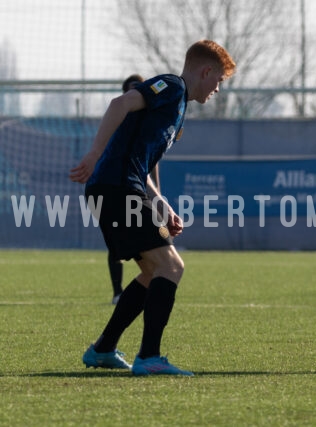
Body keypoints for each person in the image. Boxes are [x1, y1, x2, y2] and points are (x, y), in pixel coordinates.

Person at [70, 40, 236, 376]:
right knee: (172, 266)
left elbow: (140, 165)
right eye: (218, 81)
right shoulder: (172, 87)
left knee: (152, 273)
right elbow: (120, 103)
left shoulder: (179, 109)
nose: (217, 89)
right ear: (205, 72)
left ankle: (103, 349)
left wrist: (162, 205)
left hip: (122, 188)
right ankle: (149, 357)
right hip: (116, 189)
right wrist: (93, 154)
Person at [107, 74, 161, 305]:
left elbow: (151, 160)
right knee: (115, 244)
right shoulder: (117, 120)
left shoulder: (150, 120)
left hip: (140, 190)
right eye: (132, 89)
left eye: (140, 88)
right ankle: (118, 292)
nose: (137, 92)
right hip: (116, 188)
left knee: (153, 245)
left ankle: (151, 287)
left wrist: (157, 190)